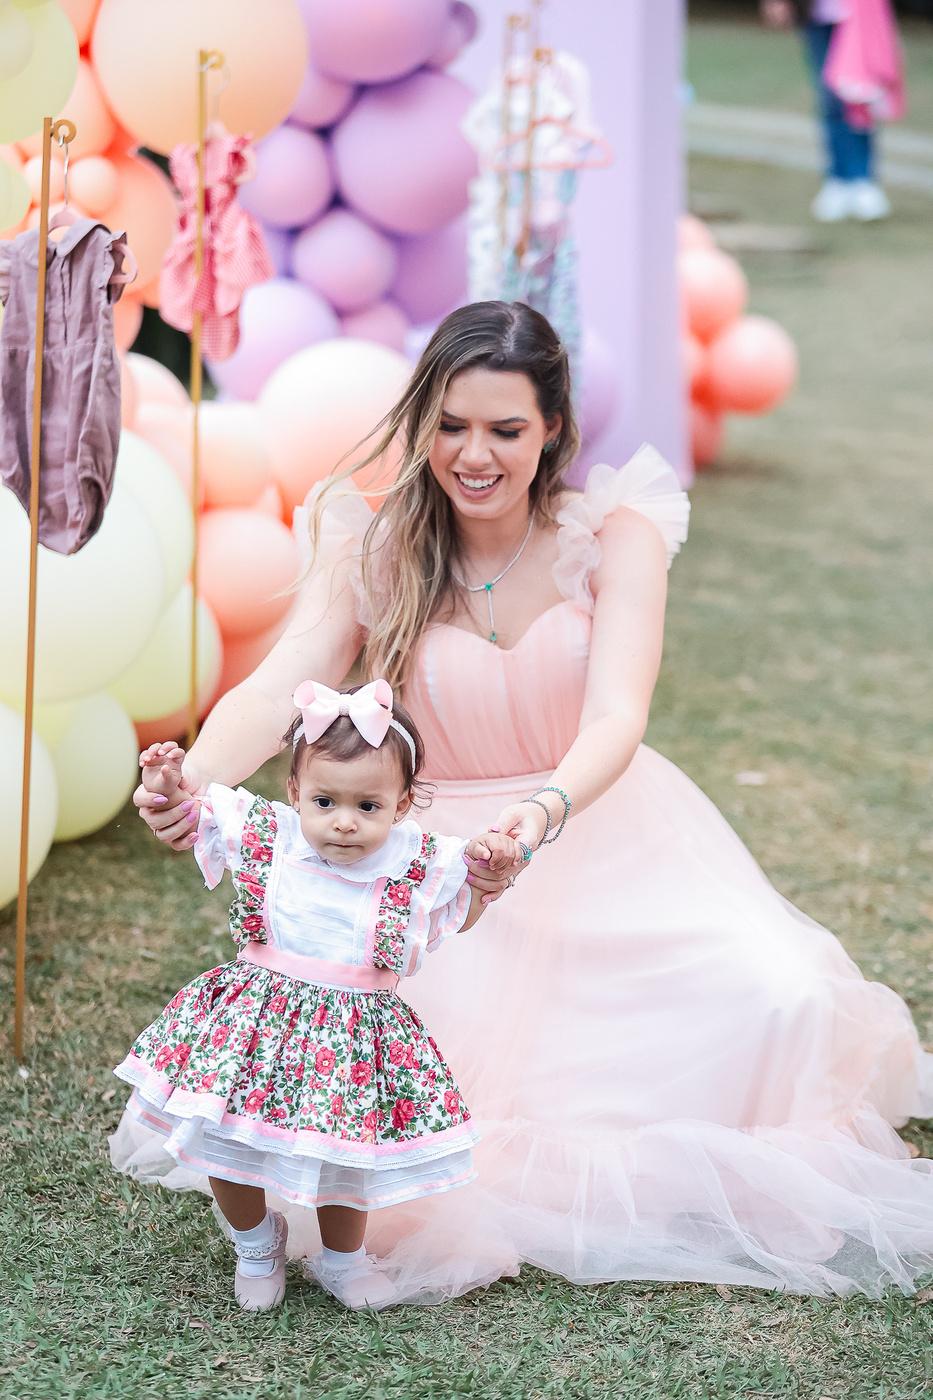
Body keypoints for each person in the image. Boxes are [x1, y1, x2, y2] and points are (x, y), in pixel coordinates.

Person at [123, 300, 933, 1302]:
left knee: (781, 997)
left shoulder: (615, 533)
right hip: (435, 872)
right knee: (410, 1087)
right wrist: (194, 780)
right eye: (451, 425)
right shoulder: (375, 542)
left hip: (594, 824)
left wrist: (540, 814)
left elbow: (618, 715)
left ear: (552, 428)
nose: (474, 455)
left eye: (505, 429)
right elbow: (283, 679)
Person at [113, 680, 523, 1311]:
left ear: (402, 805)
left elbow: (461, 906)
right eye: (325, 801)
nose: (344, 821)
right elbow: (193, 817)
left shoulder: (417, 863)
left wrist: (491, 863)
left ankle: (343, 1258)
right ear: (295, 791)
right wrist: (166, 784)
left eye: (368, 805)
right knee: (226, 1138)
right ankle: (256, 1243)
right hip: (257, 1023)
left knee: (345, 1160)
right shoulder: (269, 835)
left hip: (354, 1037)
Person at [761, 0, 902, 222]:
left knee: (858, 95)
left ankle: (862, 178)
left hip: (860, 14)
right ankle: (838, 178)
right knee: (831, 99)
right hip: (818, 15)